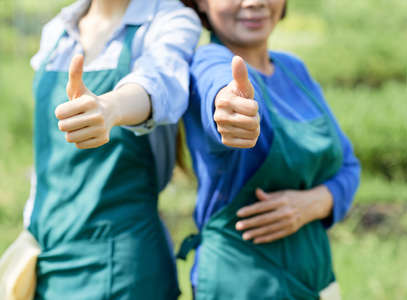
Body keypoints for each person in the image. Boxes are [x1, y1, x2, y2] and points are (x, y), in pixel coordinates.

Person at [179, 0, 361, 299]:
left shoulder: (293, 69)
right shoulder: (207, 63)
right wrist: (230, 110)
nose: (254, 2)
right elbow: (220, 89)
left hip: (315, 279)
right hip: (239, 284)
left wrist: (316, 202)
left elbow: (349, 166)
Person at [20, 0, 200, 299]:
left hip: (122, 268)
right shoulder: (57, 31)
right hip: (46, 257)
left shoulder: (168, 20)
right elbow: (49, 160)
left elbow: (159, 81)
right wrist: (30, 229)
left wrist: (111, 107)